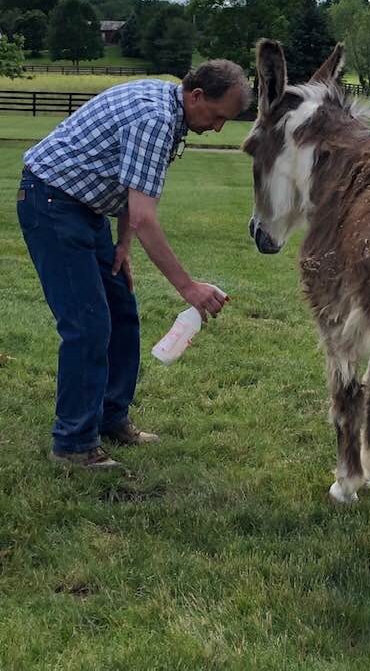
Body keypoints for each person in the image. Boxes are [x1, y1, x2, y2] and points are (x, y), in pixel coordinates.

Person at [17, 60, 252, 470]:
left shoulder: (169, 108)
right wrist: (188, 288)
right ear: (196, 96)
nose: (217, 128)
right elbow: (145, 216)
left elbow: (132, 185)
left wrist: (123, 242)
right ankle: (72, 444)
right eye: (217, 117)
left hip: (85, 210)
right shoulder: (156, 119)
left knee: (122, 312)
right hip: (52, 204)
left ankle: (110, 418)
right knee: (87, 325)